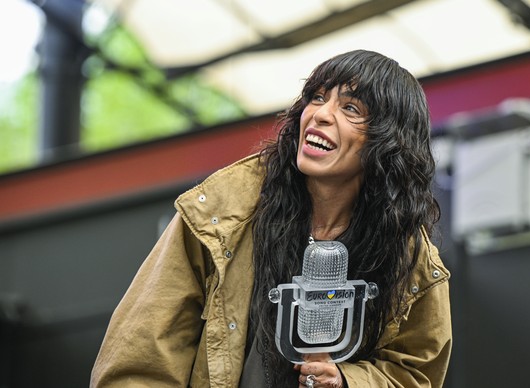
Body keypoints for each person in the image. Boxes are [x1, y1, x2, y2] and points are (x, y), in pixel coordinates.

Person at [91, 49, 452, 388]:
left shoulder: (413, 260)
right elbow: (141, 356)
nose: (322, 114)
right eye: (317, 97)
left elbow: (414, 373)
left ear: (389, 141)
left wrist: (347, 380)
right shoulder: (223, 212)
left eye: (351, 108)